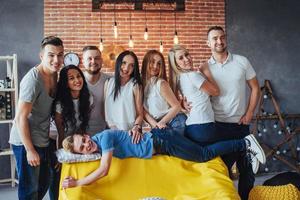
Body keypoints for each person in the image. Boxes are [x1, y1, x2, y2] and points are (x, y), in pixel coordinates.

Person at [60, 129, 265, 188]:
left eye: (84, 139)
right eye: (82, 147)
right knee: (203, 150)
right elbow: (72, 159)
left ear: (86, 134)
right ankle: (243, 147)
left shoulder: (103, 138)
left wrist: (77, 182)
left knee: (204, 155)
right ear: (83, 154)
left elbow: (104, 170)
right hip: (163, 143)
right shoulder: (97, 147)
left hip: (163, 141)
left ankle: (244, 143)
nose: (87, 144)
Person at [206, 26, 260, 200]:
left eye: (222, 37)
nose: (219, 41)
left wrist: (250, 112)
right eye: (214, 38)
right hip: (217, 126)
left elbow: (255, 88)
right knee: (222, 171)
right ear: (208, 43)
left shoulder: (242, 61)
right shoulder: (204, 68)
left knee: (247, 171)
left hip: (240, 125)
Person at [9, 36, 64, 200]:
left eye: (60, 54)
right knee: (30, 191)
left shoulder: (54, 75)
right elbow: (20, 117)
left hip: (42, 139)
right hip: (25, 141)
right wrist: (30, 150)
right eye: (51, 55)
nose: (56, 60)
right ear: (41, 56)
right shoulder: (33, 80)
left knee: (44, 184)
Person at [141, 50, 186, 135]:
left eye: (159, 63)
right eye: (152, 62)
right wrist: (156, 126)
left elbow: (177, 107)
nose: (155, 66)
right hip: (160, 123)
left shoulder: (161, 83)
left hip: (175, 121)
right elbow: (144, 111)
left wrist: (161, 123)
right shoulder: (140, 85)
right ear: (146, 62)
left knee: (171, 147)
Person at [104, 50, 143, 144]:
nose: (126, 68)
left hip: (130, 133)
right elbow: (105, 110)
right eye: (124, 63)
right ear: (118, 63)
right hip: (111, 132)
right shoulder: (108, 83)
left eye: (131, 65)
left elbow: (140, 114)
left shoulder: (135, 85)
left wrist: (136, 127)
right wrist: (111, 127)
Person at [82, 46, 111, 135]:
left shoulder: (110, 81)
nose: (93, 62)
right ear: (83, 61)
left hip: (105, 132)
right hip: (81, 133)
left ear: (101, 61)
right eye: (89, 58)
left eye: (97, 58)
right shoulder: (77, 81)